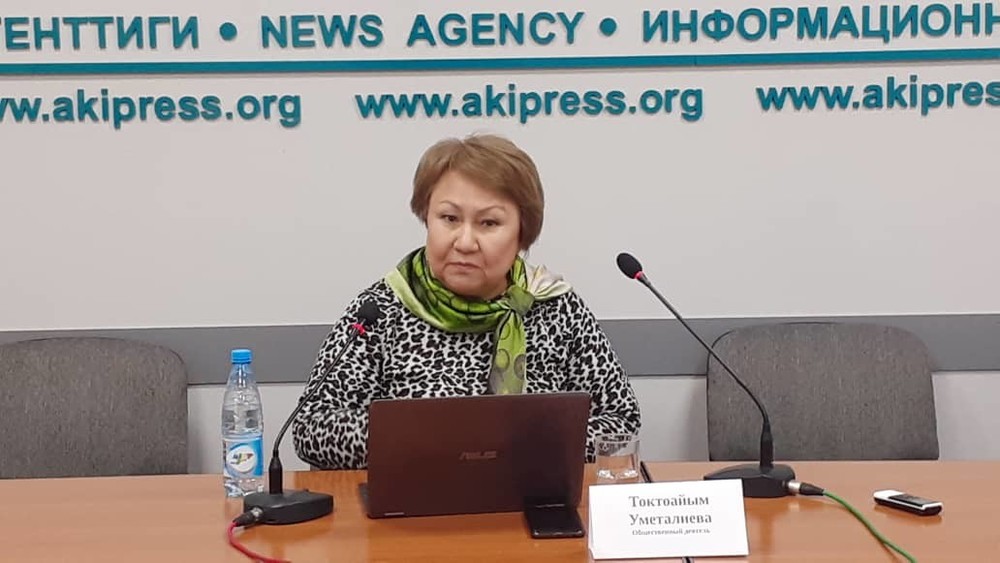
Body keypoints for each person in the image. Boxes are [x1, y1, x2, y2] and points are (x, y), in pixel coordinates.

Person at [292, 133, 640, 470]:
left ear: (523, 232)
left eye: (489, 223)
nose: (465, 242)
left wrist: (524, 445)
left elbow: (621, 419)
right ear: (426, 217)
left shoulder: (554, 306)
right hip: (414, 502)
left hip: (531, 499)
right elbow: (311, 427)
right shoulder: (382, 308)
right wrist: (430, 441)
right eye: (449, 219)